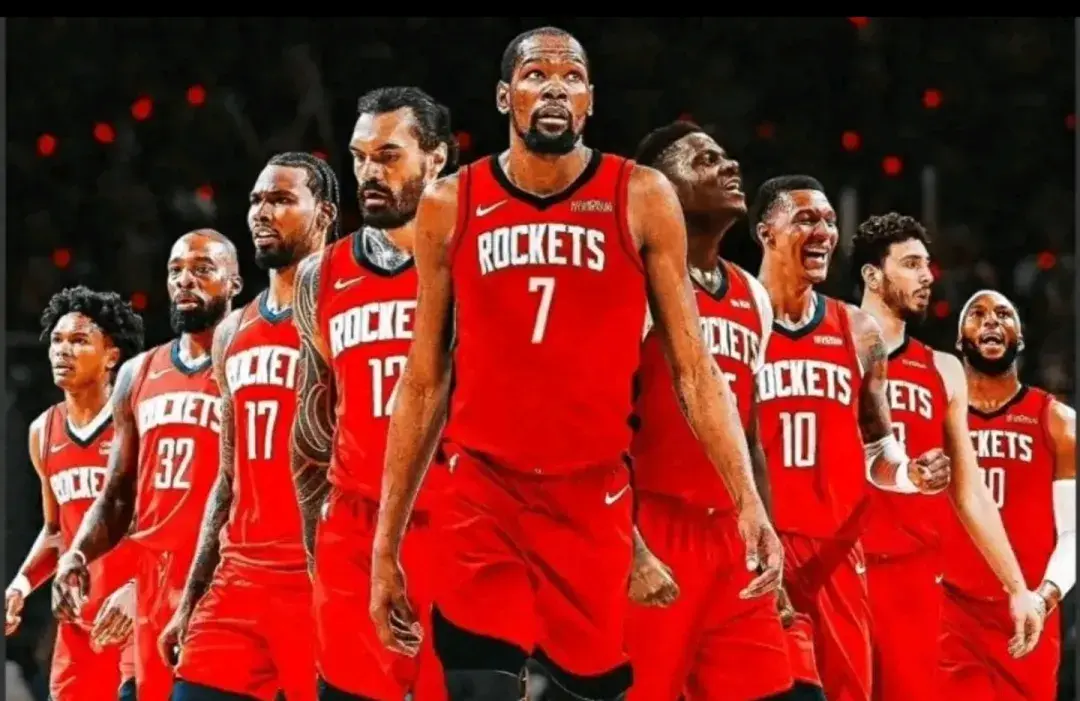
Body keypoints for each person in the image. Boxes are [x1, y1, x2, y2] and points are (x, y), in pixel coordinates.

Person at [370, 26, 781, 701]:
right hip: (483, 491)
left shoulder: (641, 194)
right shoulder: (451, 202)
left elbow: (695, 369)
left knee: (587, 686)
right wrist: (385, 545)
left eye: (572, 78)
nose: (555, 88)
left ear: (590, 100)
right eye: (536, 75)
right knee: (477, 677)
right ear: (504, 96)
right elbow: (422, 379)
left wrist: (749, 503)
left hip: (592, 499)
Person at [751, 175, 953, 701]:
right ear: (766, 233)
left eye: (829, 220)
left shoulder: (858, 331)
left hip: (836, 553)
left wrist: (910, 473)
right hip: (758, 545)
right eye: (806, 219)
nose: (824, 231)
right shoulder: (733, 319)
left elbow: (878, 451)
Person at [291, 87, 456, 701]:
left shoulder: (475, 260)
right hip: (354, 526)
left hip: (457, 522)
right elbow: (312, 421)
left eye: (388, 156)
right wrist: (318, 543)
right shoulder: (321, 274)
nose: (368, 173)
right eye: (359, 158)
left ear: (435, 158)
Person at [624, 121, 795, 700]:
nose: (729, 166)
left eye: (725, 156)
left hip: (733, 536)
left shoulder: (752, 295)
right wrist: (629, 544)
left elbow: (750, 435)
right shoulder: (632, 282)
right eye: (703, 160)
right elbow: (600, 426)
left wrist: (768, 536)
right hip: (655, 525)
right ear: (659, 188)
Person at [165, 152, 338, 701]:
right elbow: (227, 479)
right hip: (238, 582)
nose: (262, 212)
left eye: (282, 200)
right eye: (257, 200)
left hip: (320, 580)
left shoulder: (347, 310)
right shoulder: (231, 332)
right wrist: (191, 598)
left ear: (325, 213)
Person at [853, 215, 1048, 700]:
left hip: (914, 579)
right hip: (837, 564)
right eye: (911, 264)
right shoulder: (831, 342)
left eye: (928, 265)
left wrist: (1017, 587)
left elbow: (970, 491)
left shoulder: (942, 369)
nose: (927, 276)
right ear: (872, 276)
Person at [54, 230, 242, 701]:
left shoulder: (247, 363)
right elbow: (117, 494)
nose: (185, 281)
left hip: (223, 583)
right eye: (176, 270)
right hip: (150, 591)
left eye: (202, 269)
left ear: (235, 283)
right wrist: (77, 554)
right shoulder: (137, 373)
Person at [6, 287, 144, 701]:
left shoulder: (138, 421)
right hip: (77, 629)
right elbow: (55, 531)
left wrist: (140, 587)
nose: (62, 350)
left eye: (79, 340)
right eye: (57, 340)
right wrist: (20, 585)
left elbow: (164, 524)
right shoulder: (42, 431)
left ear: (111, 356)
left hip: (134, 617)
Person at [939, 289, 1074, 701]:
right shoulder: (936, 418)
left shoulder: (1057, 421)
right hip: (950, 613)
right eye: (977, 314)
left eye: (1003, 313)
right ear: (960, 340)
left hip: (1029, 612)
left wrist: (1045, 598)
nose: (991, 320)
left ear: (1020, 338)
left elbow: (1073, 533)